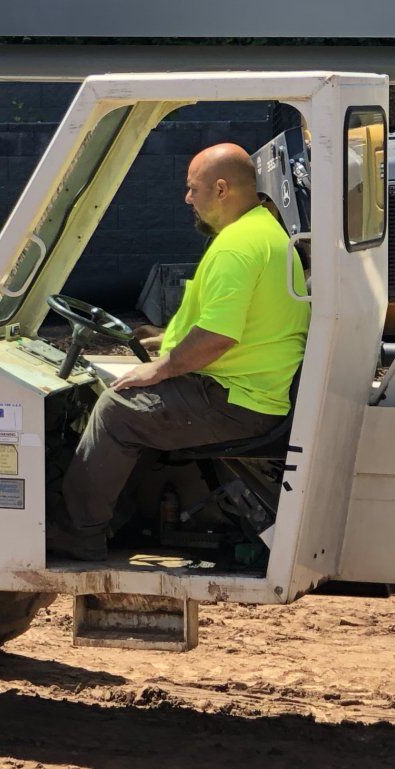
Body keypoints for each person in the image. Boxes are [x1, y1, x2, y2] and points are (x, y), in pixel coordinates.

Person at [49, 143, 309, 561]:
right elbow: (233, 320)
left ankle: (82, 531)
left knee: (117, 409)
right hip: (252, 386)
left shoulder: (236, 247)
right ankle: (118, 516)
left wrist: (164, 367)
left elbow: (218, 337)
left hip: (235, 398)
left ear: (221, 189)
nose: (187, 198)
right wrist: (168, 338)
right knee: (131, 396)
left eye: (193, 188)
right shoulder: (262, 231)